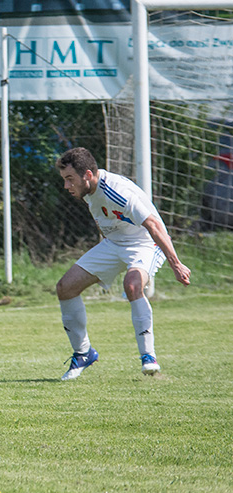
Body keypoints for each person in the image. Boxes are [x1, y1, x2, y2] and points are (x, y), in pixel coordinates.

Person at [55, 147, 191, 380]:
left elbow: (154, 226)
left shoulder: (118, 191)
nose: (67, 186)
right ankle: (83, 353)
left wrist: (176, 264)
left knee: (132, 285)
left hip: (145, 243)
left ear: (87, 174)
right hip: (114, 243)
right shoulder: (87, 191)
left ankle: (149, 357)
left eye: (70, 179)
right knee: (65, 288)